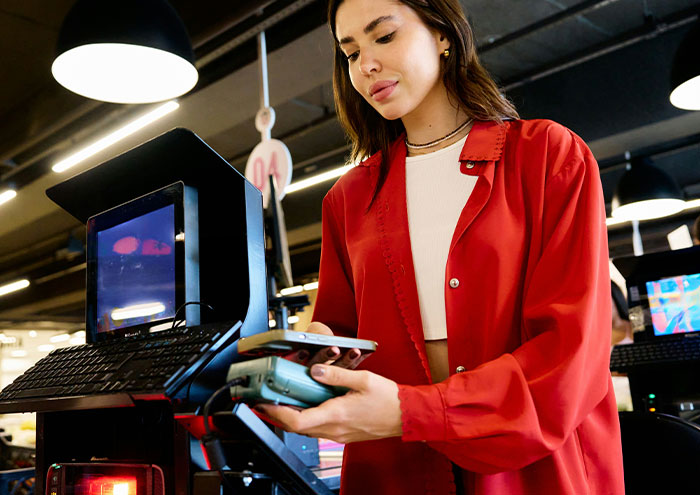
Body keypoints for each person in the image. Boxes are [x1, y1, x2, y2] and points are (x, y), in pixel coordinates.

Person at [255, 0, 625, 493]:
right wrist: (312, 354)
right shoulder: (348, 199)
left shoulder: (546, 158)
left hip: (531, 466)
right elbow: (342, 329)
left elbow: (570, 353)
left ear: (444, 35)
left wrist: (417, 412)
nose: (365, 66)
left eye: (383, 37)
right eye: (350, 52)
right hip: (397, 466)